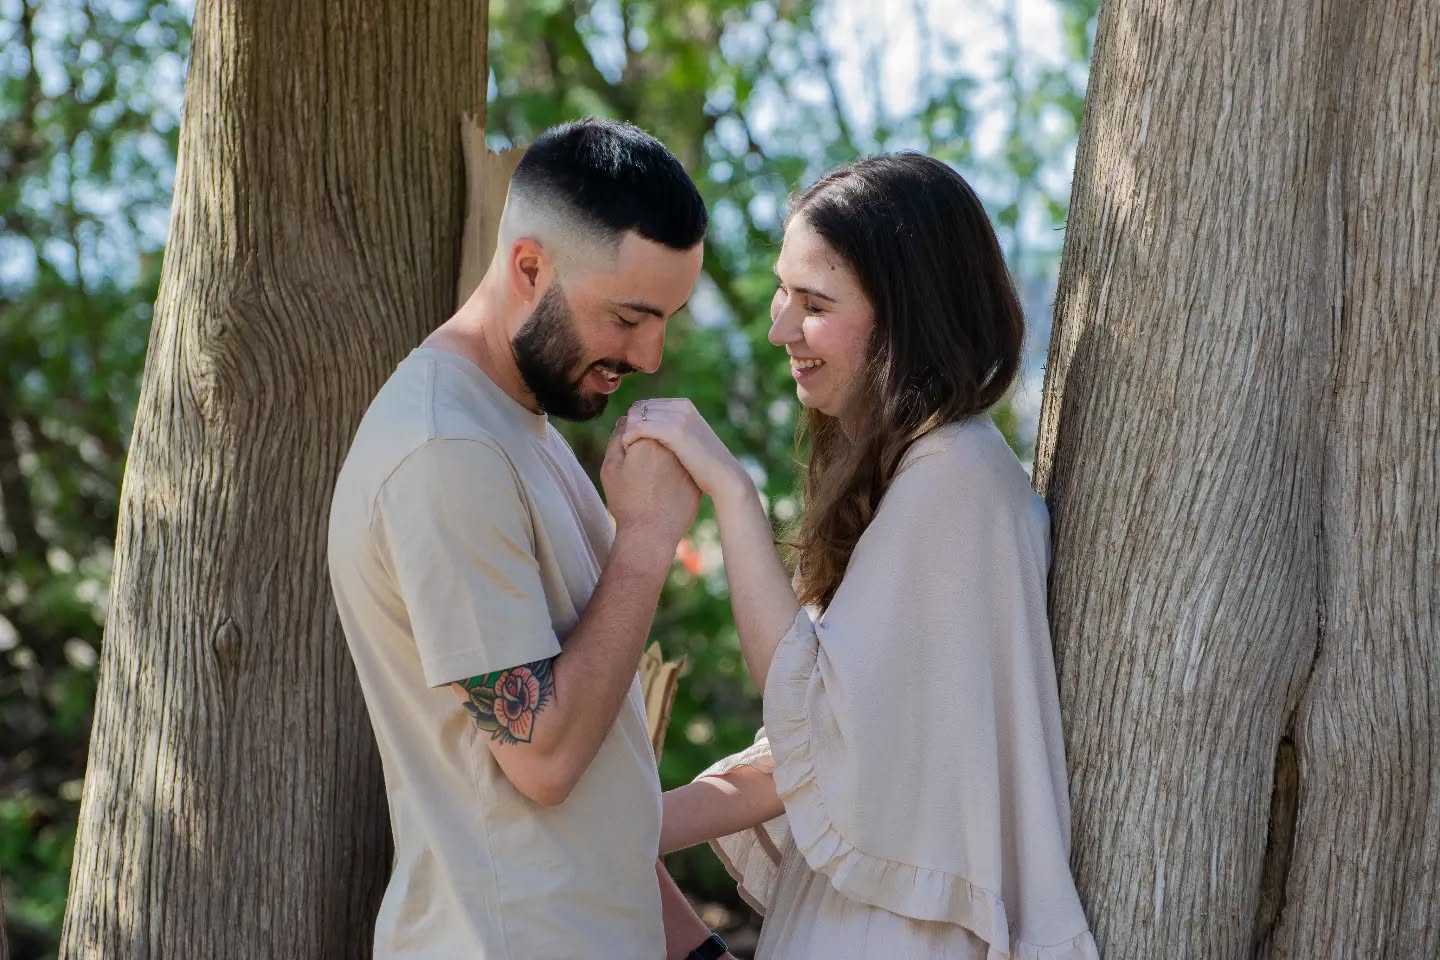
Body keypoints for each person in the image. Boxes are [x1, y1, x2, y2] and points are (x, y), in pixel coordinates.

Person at [623, 154, 1100, 959]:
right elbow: (805, 751)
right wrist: (599, 831)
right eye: (784, 292)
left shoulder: (956, 482)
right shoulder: (924, 476)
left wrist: (731, 495)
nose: (780, 328)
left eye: (813, 304)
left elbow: (810, 713)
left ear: (906, 316)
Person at [327, 118, 735, 960]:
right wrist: (648, 540)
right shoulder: (447, 451)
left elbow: (592, 787)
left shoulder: (520, 427)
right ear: (528, 267)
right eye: (629, 316)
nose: (651, 354)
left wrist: (698, 954)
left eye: (667, 318)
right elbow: (544, 760)